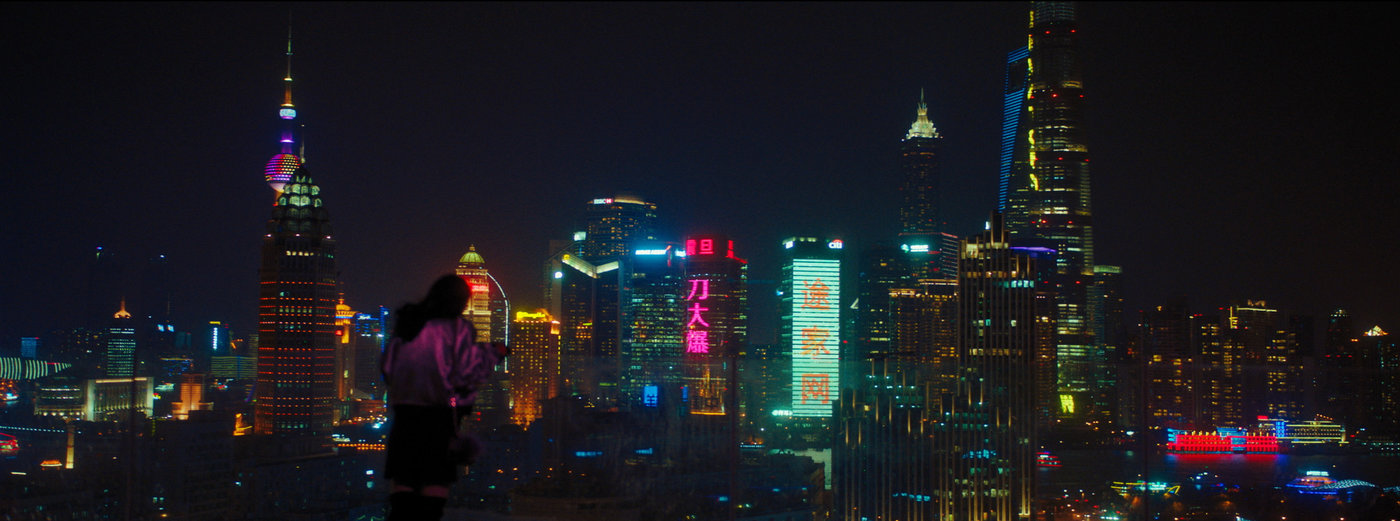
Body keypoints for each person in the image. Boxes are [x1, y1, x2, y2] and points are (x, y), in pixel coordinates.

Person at [381, 274, 507, 520]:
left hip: (404, 417)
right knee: (434, 489)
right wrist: (494, 354)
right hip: (436, 417)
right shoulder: (457, 328)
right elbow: (466, 373)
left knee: (403, 489)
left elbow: (388, 368)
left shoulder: (407, 323)